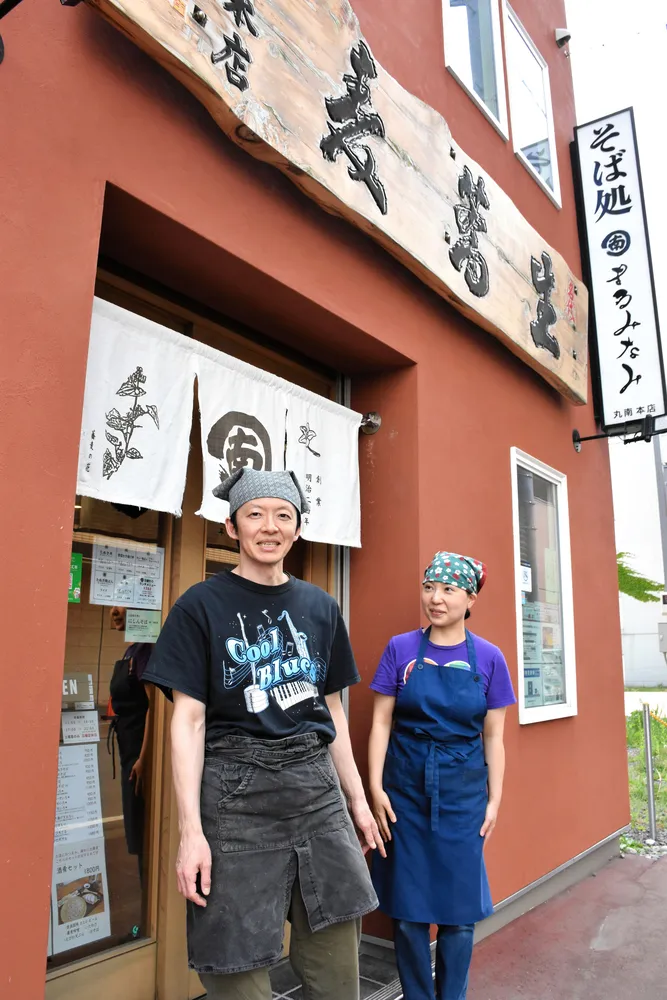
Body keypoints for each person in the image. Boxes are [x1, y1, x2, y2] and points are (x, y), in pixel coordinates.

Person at [142, 468, 381, 1000]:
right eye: (255, 514)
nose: (269, 527)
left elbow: (332, 712)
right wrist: (190, 832)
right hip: (235, 798)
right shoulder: (200, 607)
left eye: (283, 516)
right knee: (235, 965)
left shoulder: (320, 607)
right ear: (232, 527)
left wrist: (357, 802)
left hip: (316, 793)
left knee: (337, 955)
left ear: (298, 529)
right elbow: (189, 721)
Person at [368, 552, 516, 1000]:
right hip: (405, 791)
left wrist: (494, 799)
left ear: (470, 599)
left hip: (463, 794)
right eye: (429, 587)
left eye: (449, 589)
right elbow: (381, 722)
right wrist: (375, 788)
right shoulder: (400, 648)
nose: (436, 598)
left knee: (459, 912)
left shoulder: (489, 658)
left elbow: (494, 736)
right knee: (408, 912)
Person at [108, 606, 153, 885]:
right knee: (133, 823)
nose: (114, 611)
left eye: (121, 603)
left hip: (138, 750)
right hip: (127, 748)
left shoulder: (146, 650)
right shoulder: (130, 651)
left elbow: (154, 708)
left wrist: (143, 759)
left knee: (141, 824)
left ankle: (148, 887)